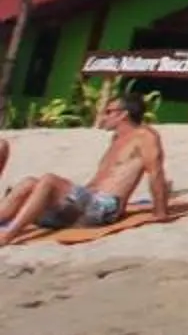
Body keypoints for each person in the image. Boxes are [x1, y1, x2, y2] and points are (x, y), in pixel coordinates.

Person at [0, 92, 172, 244]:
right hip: (86, 202)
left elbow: (156, 172)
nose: (104, 116)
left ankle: (8, 235)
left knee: (49, 180)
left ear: (124, 115)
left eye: (109, 112)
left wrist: (160, 212)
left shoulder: (145, 136)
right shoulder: (116, 139)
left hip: (105, 207)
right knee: (28, 183)